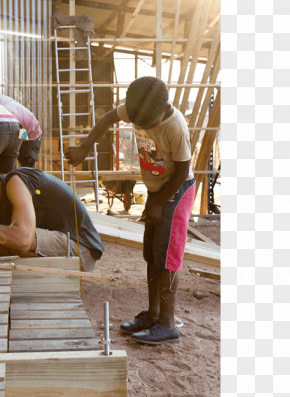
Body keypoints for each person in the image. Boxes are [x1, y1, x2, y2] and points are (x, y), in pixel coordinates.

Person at [65, 76, 194, 345]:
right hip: (157, 190)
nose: (142, 127)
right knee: (151, 252)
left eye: (148, 124)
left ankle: (168, 325)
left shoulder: (176, 127)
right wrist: (85, 147)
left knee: (167, 256)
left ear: (163, 108)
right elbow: (107, 119)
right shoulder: (139, 107)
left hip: (177, 191)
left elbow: (182, 171)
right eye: (138, 124)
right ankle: (154, 314)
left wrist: (160, 203)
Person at [0, 168, 104, 272]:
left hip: (82, 251)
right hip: (63, 247)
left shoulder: (15, 182)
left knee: (18, 237)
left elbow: (24, 240)